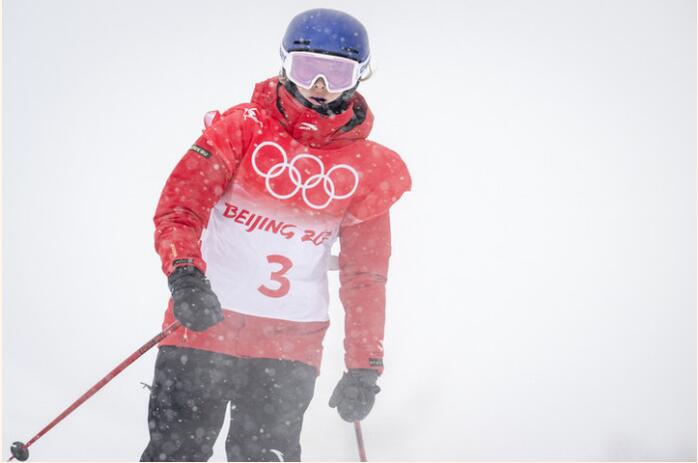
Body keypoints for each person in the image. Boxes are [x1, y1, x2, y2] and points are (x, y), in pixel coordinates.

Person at [140, 8, 411, 462]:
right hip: (204, 326)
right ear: (284, 64)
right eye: (307, 69)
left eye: (336, 73)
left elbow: (365, 276)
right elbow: (180, 208)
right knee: (176, 452)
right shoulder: (240, 128)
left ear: (359, 77)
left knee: (264, 455)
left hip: (290, 344)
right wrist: (185, 275)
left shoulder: (369, 169)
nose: (319, 87)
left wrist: (364, 366)